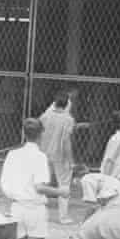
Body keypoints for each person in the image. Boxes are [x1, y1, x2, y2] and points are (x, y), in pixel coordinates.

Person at [0, 117, 71, 239]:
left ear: (24, 133)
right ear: (41, 135)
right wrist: (60, 192)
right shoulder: (39, 157)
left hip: (16, 207)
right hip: (34, 210)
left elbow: (4, 184)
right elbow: (39, 187)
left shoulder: (12, 155)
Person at [81, 110, 120, 211]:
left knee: (104, 210)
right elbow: (109, 160)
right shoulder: (118, 139)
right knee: (104, 209)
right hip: (111, 180)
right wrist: (106, 182)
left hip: (113, 180)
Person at [40, 90, 76, 224]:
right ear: (67, 104)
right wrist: (71, 161)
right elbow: (66, 141)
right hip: (60, 156)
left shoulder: (45, 116)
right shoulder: (68, 119)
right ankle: (63, 217)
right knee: (64, 185)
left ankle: (41, 213)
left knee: (42, 183)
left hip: (44, 153)